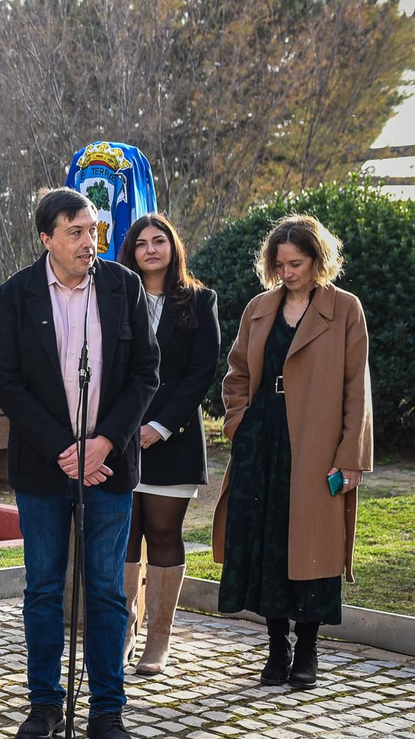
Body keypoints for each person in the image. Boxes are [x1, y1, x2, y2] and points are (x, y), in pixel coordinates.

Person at [0, 188, 158, 739]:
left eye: (93, 230)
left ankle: (107, 711)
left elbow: (145, 372)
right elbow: (7, 383)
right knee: (43, 587)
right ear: (47, 238)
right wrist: (64, 448)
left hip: (108, 465)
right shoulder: (17, 293)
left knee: (107, 589)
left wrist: (104, 441)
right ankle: (45, 703)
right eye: (76, 232)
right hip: (44, 466)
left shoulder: (122, 286)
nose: (90, 242)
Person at [213, 215, 372, 690]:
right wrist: (239, 423)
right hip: (261, 441)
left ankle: (307, 649)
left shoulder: (345, 309)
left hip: (316, 444)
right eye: (279, 264)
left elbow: (357, 389)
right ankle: (276, 647)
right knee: (267, 543)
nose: (287, 273)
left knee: (312, 545)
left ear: (318, 260)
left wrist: (350, 455)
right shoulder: (259, 308)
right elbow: (237, 373)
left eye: (296, 263)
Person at [118, 213, 220, 676]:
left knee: (162, 533)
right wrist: (122, 425)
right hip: (120, 436)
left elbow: (201, 372)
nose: (151, 249)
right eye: (141, 243)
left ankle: (158, 640)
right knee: (124, 534)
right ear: (131, 252)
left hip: (173, 439)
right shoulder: (116, 298)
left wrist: (160, 426)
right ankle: (123, 630)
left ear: (173, 247)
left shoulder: (200, 300)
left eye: (158, 241)